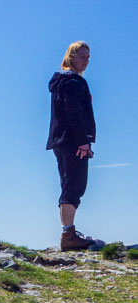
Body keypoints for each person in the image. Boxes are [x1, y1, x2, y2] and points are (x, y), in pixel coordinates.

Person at [47, 41, 96, 250]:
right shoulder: (74, 82)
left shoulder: (60, 81)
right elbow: (73, 112)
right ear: (71, 56)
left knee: (69, 183)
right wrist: (83, 141)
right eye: (82, 56)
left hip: (60, 139)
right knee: (74, 185)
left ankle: (69, 232)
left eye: (88, 57)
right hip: (73, 142)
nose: (85, 60)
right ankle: (68, 234)